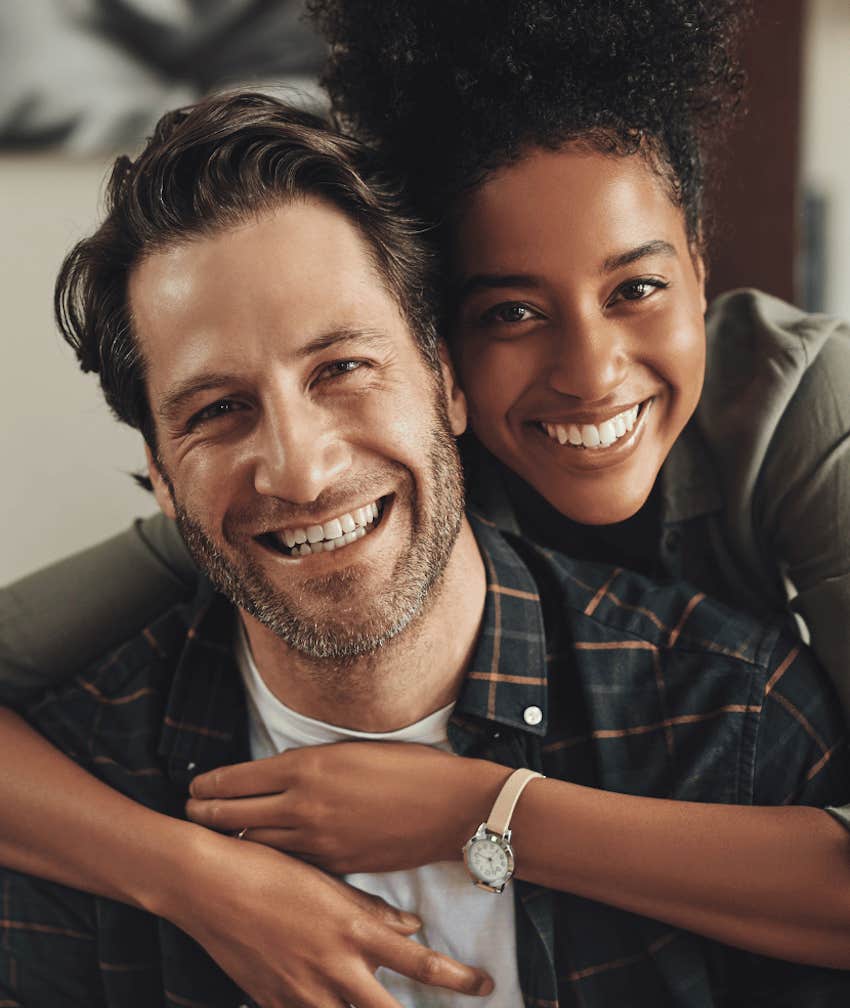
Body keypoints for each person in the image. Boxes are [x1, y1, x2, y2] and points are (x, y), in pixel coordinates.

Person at [2, 0, 850, 985]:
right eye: (514, 311)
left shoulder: (744, 686)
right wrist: (196, 879)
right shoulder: (114, 738)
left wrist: (482, 810)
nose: (306, 471)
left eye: (343, 369)